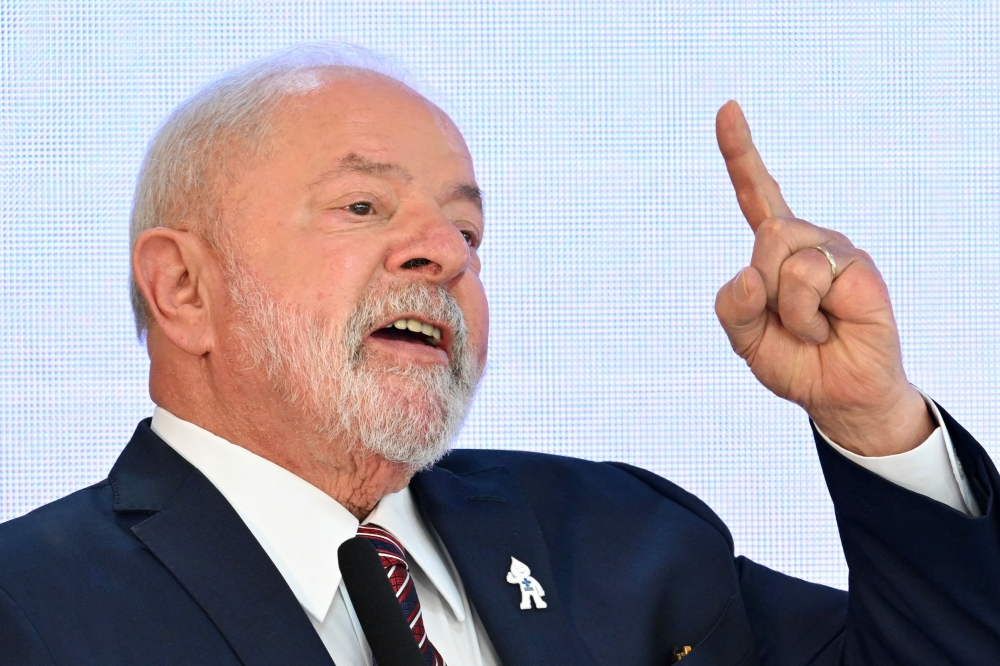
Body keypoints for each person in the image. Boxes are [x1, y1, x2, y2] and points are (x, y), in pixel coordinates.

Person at [0, 44, 997, 666]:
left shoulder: (618, 540)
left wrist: (873, 420)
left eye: (469, 234)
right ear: (183, 289)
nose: (442, 253)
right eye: (362, 206)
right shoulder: (29, 607)